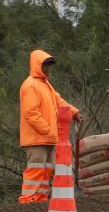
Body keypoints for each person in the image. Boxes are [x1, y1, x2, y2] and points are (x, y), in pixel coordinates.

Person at [18, 50, 81, 203]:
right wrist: (46, 130)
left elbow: (59, 102)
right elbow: (30, 113)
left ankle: (40, 200)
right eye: (45, 65)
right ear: (37, 65)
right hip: (37, 139)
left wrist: (74, 112)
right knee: (35, 171)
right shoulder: (30, 85)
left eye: (49, 65)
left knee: (46, 171)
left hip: (47, 138)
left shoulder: (45, 85)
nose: (48, 68)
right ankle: (27, 201)